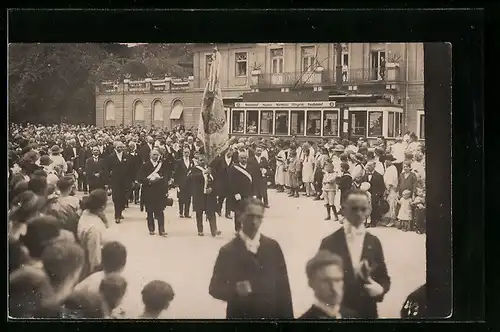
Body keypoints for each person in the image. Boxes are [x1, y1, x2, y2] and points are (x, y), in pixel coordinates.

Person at [209, 198, 294, 319]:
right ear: (240, 217)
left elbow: (284, 290)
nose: (254, 221)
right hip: (241, 317)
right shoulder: (228, 251)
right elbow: (214, 288)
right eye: (250, 216)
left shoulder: (272, 247)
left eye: (259, 217)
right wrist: (235, 290)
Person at [319, 190, 391, 318]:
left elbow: (383, 277)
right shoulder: (329, 243)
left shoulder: (373, 242)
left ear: (369, 210)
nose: (359, 214)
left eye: (363, 209)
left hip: (367, 313)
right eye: (354, 209)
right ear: (344, 209)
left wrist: (380, 289)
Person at [299, 251, 358, 319]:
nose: (334, 288)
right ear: (311, 283)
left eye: (337, 280)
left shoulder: (354, 317)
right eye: (326, 281)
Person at [78, 189, 110, 280]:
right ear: (103, 206)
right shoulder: (94, 229)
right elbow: (95, 257)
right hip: (92, 269)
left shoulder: (86, 214)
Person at [137, 148, 168, 237]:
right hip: (148, 191)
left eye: (157, 155)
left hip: (159, 191)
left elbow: (165, 177)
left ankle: (161, 229)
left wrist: (162, 182)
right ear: (150, 155)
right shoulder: (145, 165)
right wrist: (150, 181)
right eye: (154, 154)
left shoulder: (161, 165)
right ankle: (151, 228)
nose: (155, 156)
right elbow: (140, 178)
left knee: (160, 211)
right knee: (150, 211)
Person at [227, 150, 259, 234]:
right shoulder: (234, 168)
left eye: (245, 158)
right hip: (239, 194)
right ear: (238, 158)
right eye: (242, 158)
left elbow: (255, 181)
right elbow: (231, 182)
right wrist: (235, 193)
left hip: (249, 193)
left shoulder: (251, 167)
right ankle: (238, 229)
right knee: (238, 212)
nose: (244, 159)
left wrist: (254, 193)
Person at [189, 154, 221, 237]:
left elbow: (216, 181)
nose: (202, 162)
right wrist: (203, 173)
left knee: (212, 212)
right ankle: (200, 230)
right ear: (198, 161)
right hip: (199, 194)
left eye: (204, 160)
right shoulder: (195, 169)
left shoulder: (212, 170)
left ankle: (214, 229)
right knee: (199, 213)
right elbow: (192, 178)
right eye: (200, 160)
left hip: (210, 195)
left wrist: (212, 189)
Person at [106, 141, 130, 224]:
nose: (120, 148)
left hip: (125, 180)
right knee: (116, 198)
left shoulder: (127, 156)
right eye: (118, 147)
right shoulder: (110, 157)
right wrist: (108, 182)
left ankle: (120, 210)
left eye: (121, 147)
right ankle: (117, 215)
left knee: (124, 197)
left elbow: (130, 168)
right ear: (115, 147)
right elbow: (108, 169)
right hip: (115, 180)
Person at [211, 147, 236, 219]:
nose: (230, 153)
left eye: (232, 151)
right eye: (229, 151)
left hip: (231, 182)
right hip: (221, 181)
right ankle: (218, 209)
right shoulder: (220, 160)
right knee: (221, 197)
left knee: (229, 198)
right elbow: (213, 169)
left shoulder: (234, 160)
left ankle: (227, 213)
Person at [361, 161, 386, 227]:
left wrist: (378, 195)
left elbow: (382, 187)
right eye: (368, 165)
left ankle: (373, 222)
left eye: (370, 165)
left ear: (374, 166)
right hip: (367, 195)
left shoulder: (379, 176)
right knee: (366, 208)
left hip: (375, 195)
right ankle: (365, 221)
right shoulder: (365, 175)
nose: (368, 167)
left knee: (374, 208)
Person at [174, 146, 194, 219]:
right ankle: (181, 212)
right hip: (181, 183)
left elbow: (193, 171)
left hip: (189, 183)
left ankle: (187, 213)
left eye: (188, 152)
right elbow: (176, 173)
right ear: (183, 153)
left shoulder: (191, 161)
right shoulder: (179, 161)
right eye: (185, 152)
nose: (186, 154)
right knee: (181, 198)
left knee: (188, 198)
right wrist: (176, 184)